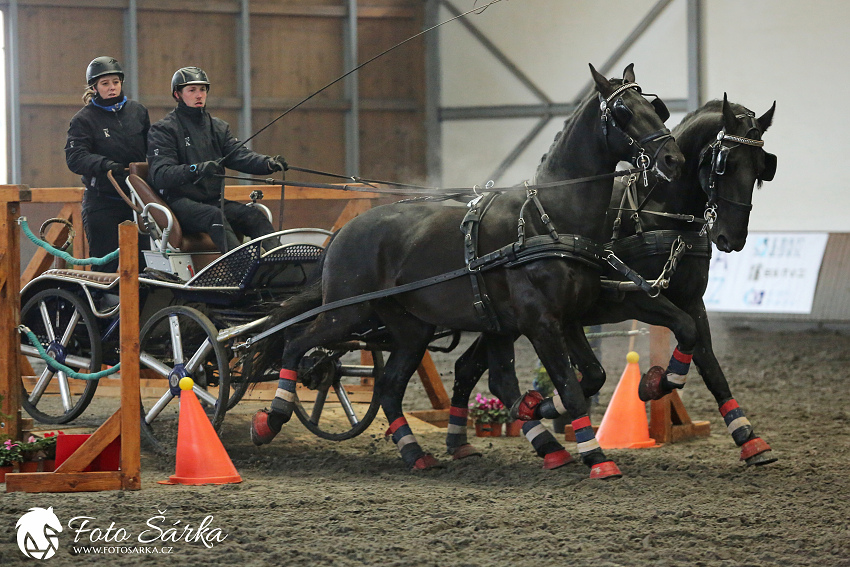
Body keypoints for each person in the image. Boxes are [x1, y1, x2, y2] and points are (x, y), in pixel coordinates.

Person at [146, 66, 286, 253]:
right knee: (214, 216)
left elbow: (239, 155)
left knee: (253, 215)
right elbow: (161, 174)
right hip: (179, 204)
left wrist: (267, 163)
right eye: (192, 90)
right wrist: (197, 169)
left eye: (202, 90)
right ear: (177, 94)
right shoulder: (164, 130)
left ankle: (282, 263)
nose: (199, 95)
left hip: (213, 201)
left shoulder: (218, 128)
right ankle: (242, 268)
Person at [65, 56, 150, 272]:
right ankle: (104, 304)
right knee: (107, 265)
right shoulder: (83, 120)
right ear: (94, 87)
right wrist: (104, 164)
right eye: (105, 84)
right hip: (103, 201)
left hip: (138, 200)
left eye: (115, 82)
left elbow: (153, 148)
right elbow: (75, 158)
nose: (111, 88)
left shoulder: (138, 112)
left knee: (146, 262)